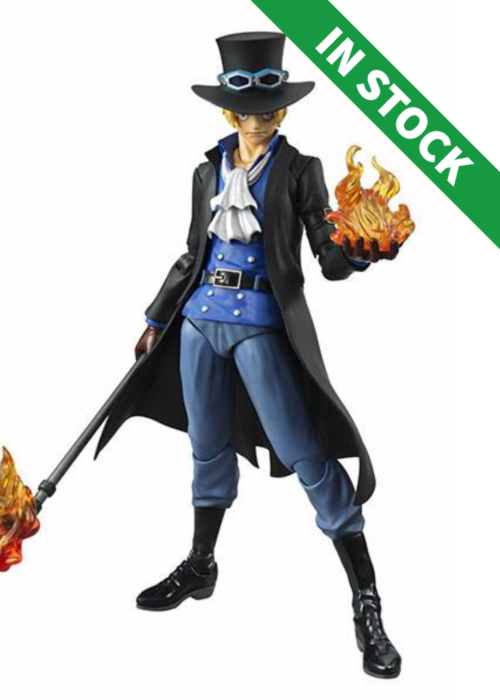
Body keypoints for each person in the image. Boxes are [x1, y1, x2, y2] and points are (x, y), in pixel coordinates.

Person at [96, 31, 403, 679]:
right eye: (246, 109)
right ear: (229, 111)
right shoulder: (206, 171)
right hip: (199, 324)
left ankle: (367, 603)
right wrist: (156, 318)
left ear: (282, 109)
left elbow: (325, 256)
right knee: (206, 447)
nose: (258, 119)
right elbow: (192, 253)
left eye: (269, 108)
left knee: (305, 454)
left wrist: (358, 251)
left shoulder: (299, 170)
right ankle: (201, 564)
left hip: (262, 324)